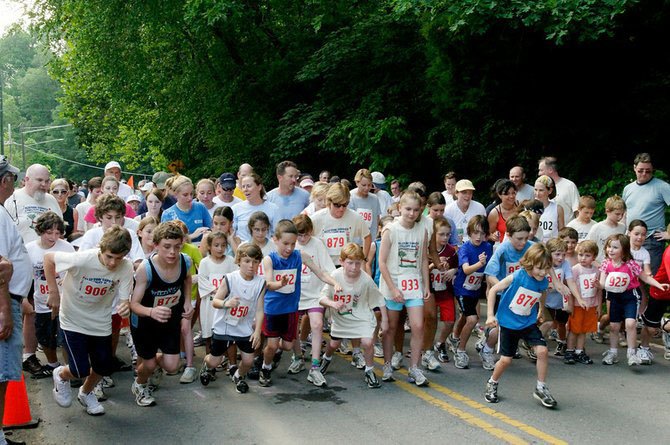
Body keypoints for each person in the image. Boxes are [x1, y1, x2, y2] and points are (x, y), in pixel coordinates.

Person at [45, 226, 134, 416]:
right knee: (79, 369)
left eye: (119, 258)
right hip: (72, 319)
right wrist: (54, 292)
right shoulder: (83, 258)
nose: (113, 263)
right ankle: (61, 375)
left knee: (104, 365)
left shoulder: (126, 267)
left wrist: (125, 307)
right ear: (101, 249)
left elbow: (125, 300)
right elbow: (49, 258)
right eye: (109, 256)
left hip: (100, 321)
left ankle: (85, 393)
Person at [258, 220, 341, 387]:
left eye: (293, 243)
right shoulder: (269, 259)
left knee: (288, 346)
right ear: (275, 239)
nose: (289, 248)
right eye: (285, 243)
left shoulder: (300, 256)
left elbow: (321, 273)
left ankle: (276, 353)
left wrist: (335, 283)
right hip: (273, 309)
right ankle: (265, 367)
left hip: (290, 309)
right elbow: (267, 283)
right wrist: (280, 284)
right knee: (272, 346)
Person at [484, 243, 557, 408]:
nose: (543, 272)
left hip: (527, 322)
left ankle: (541, 387)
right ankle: (492, 382)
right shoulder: (518, 276)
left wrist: (540, 310)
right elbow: (494, 289)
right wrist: (490, 315)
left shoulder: (543, 280)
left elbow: (542, 292)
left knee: (543, 351)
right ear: (530, 263)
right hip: (508, 324)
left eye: (546, 268)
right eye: (539, 268)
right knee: (506, 360)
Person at [129, 222, 194, 406]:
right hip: (144, 321)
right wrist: (151, 311)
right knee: (147, 364)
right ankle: (140, 385)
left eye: (177, 247)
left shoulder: (185, 260)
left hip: (168, 319)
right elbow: (133, 304)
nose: (172, 252)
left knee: (172, 366)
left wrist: (187, 302)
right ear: (155, 245)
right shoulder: (146, 269)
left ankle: (151, 367)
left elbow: (187, 279)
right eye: (166, 247)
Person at [198, 244, 266, 393]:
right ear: (239, 261)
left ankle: (238, 375)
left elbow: (260, 309)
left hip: (244, 325)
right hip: (224, 325)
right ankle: (207, 365)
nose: (251, 265)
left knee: (248, 360)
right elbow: (215, 301)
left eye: (255, 262)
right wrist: (226, 303)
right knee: (215, 360)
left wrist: (257, 331)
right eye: (247, 261)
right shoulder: (230, 279)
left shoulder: (260, 282)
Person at [319, 243, 386, 389]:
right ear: (342, 262)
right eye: (350, 263)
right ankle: (326, 358)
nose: (354, 267)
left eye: (358, 263)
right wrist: (332, 303)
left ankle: (369, 371)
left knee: (368, 343)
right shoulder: (335, 276)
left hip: (361, 316)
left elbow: (379, 300)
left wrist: (384, 321)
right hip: (341, 317)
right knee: (334, 344)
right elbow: (321, 298)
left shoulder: (366, 279)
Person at [380, 192, 430, 386]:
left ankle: (414, 368)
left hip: (414, 284)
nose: (411, 213)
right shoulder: (390, 230)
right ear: (400, 207)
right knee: (390, 328)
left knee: (418, 326)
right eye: (408, 209)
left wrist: (426, 284)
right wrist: (393, 289)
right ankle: (386, 364)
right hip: (393, 284)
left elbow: (424, 259)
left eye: (416, 210)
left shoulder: (422, 230)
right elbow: (382, 263)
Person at [0, 156, 32, 445]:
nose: (12, 182)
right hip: (3, 300)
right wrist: (4, 310)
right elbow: (0, 266)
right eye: (10, 178)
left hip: (9, 297)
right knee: (1, 373)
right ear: (4, 181)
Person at [599, 234, 669, 366]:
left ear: (624, 250)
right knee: (614, 326)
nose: (610, 250)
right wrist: (598, 285)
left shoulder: (631, 264)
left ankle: (632, 354)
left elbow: (645, 277)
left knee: (630, 324)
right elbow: (603, 283)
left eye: (615, 247)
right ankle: (613, 353)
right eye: (609, 247)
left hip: (630, 296)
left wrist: (658, 285)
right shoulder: (606, 264)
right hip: (614, 296)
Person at [25, 212, 75, 377]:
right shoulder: (30, 249)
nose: (54, 237)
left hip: (65, 301)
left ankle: (70, 368)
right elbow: (25, 276)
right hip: (41, 301)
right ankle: (53, 364)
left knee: (66, 337)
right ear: (40, 231)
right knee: (45, 336)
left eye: (57, 233)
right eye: (49, 232)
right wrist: (25, 299)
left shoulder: (66, 247)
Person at [289, 214, 336, 386]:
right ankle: (297, 356)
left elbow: (327, 269)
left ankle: (315, 367)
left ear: (311, 232)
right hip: (294, 294)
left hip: (315, 294)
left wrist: (335, 283)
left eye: (306, 234)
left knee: (316, 324)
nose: (302, 238)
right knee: (291, 328)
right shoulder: (290, 245)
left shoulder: (317, 244)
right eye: (299, 235)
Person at [452, 216, 492, 370]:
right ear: (469, 233)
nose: (478, 237)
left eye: (482, 234)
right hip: (462, 289)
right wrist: (480, 263)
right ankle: (461, 351)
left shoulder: (487, 247)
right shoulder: (465, 248)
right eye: (475, 233)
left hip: (475, 289)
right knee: (472, 319)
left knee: (464, 316)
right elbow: (466, 269)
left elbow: (490, 268)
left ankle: (455, 337)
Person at [622, 153, 670, 274]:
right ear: (634, 168)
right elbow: (624, 212)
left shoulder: (662, 187)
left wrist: (669, 233)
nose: (644, 174)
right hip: (630, 238)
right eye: (640, 170)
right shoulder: (628, 188)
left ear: (653, 170)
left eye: (648, 171)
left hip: (652, 238)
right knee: (630, 275)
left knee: (651, 276)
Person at [539, 238, 585, 358]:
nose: (561, 258)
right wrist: (551, 285)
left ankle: (562, 342)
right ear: (549, 253)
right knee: (546, 322)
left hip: (559, 300)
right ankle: (536, 342)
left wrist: (578, 298)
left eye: (563, 255)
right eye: (557, 254)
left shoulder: (565, 264)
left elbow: (571, 282)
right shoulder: (542, 264)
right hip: (543, 300)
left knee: (561, 323)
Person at [310, 183, 372, 265]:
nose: (341, 209)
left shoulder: (355, 217)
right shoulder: (316, 218)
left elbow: (367, 236)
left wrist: (363, 259)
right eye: (337, 205)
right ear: (329, 202)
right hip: (323, 266)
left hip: (345, 266)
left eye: (345, 205)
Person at [197, 231, 237, 355]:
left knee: (228, 335)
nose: (220, 249)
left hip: (226, 305)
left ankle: (228, 360)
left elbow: (235, 279)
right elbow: (202, 280)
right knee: (209, 334)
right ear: (209, 246)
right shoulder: (205, 262)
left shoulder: (230, 261)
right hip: (209, 304)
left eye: (223, 245)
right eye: (216, 245)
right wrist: (219, 291)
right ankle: (209, 362)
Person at [565, 240, 601, 365]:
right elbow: (570, 287)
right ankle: (569, 350)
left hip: (591, 304)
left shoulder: (597, 271)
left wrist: (599, 306)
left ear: (594, 257)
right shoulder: (575, 270)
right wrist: (570, 305)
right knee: (574, 329)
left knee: (584, 330)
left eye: (587, 255)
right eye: (580, 255)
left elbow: (599, 290)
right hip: (577, 305)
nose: (583, 258)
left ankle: (579, 351)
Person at [640, 223, 670, 361]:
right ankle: (644, 349)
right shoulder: (669, 253)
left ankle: (667, 326)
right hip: (661, 290)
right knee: (651, 326)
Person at [161, 176, 212, 245]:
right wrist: (191, 236)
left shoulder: (200, 207)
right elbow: (166, 240)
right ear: (175, 195)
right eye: (185, 195)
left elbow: (212, 228)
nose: (190, 198)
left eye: (191, 194)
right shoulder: (168, 214)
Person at [232, 173, 280, 243]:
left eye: (248, 186)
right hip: (243, 250)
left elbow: (277, 234)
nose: (245, 189)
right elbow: (232, 235)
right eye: (243, 186)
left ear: (259, 187)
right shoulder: (236, 208)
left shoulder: (273, 208)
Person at [538, 156, 580, 223]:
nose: (539, 173)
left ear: (550, 170)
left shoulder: (569, 186)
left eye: (541, 170)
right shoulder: (539, 189)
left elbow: (577, 211)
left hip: (566, 232)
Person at [444, 179, 486, 246]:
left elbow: (484, 232)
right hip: (455, 247)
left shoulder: (480, 208)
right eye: (464, 192)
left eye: (470, 193)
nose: (468, 196)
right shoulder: (448, 210)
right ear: (456, 193)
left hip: (476, 246)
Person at [585, 195, 626, 262]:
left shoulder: (622, 227)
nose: (620, 217)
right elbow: (587, 248)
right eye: (617, 214)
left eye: (622, 214)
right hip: (600, 264)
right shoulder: (597, 228)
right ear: (607, 211)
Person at [348, 169, 382, 243]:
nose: (367, 188)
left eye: (369, 185)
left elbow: (377, 218)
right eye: (363, 185)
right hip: (354, 242)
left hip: (371, 241)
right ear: (357, 183)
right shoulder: (350, 197)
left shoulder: (374, 198)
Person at [534, 175, 564, 242]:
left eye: (541, 190)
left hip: (552, 247)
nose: (537, 194)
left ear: (550, 191)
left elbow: (562, 233)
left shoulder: (558, 209)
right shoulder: (529, 207)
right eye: (535, 190)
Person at [487, 180, 518, 244]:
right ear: (499, 195)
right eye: (507, 194)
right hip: (504, 248)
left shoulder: (520, 207)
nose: (511, 196)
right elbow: (488, 234)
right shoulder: (494, 213)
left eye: (513, 193)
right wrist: (494, 236)